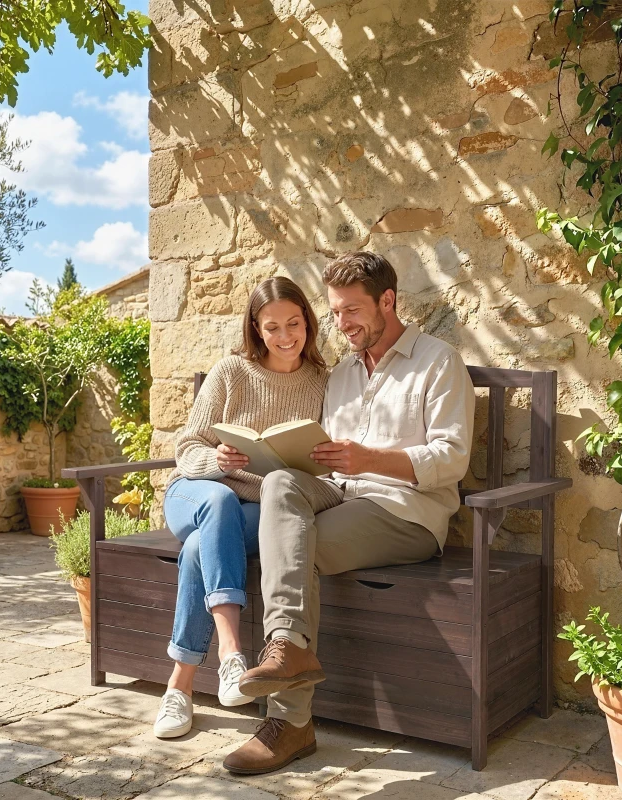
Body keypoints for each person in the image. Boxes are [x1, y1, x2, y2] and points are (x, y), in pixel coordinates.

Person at [223, 251, 475, 774]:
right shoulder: (339, 375)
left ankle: (290, 722)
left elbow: (452, 460)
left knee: (297, 546)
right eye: (335, 313)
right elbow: (326, 464)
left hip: (407, 512)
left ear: (388, 300)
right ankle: (287, 649)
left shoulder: (437, 361)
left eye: (352, 311)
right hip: (340, 495)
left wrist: (371, 459)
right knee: (280, 483)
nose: (342, 324)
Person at [154, 276, 329, 739]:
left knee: (199, 551)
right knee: (218, 502)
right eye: (272, 327)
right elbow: (187, 447)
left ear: (308, 323)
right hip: (197, 491)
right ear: (256, 328)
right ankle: (232, 656)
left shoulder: (322, 383)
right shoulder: (230, 372)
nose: (286, 336)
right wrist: (218, 459)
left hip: (255, 508)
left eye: (295, 324)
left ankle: (181, 684)